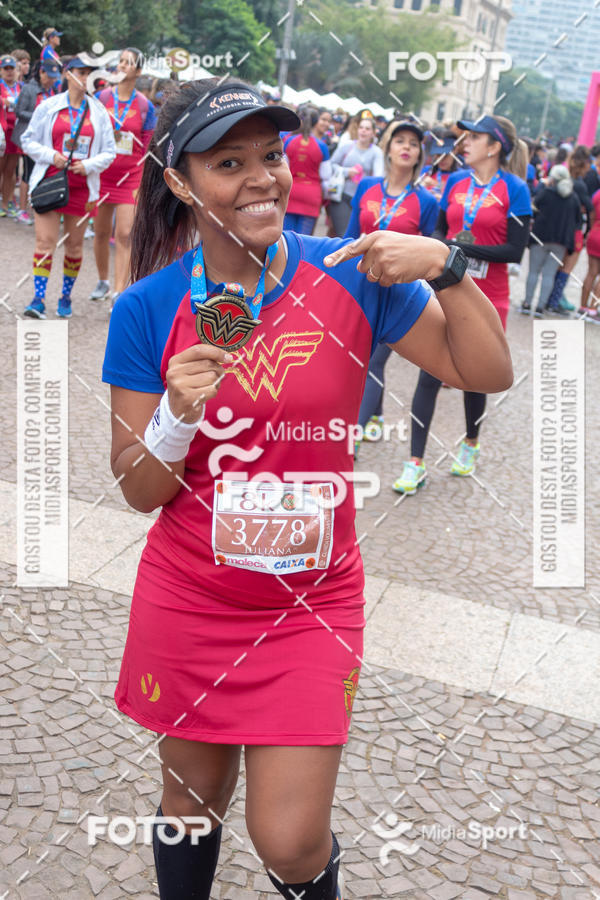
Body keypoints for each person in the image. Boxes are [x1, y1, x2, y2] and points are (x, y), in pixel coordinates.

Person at [101, 77, 512, 900]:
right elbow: (140, 490)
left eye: (271, 155)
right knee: (189, 805)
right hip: (192, 596)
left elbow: (487, 371)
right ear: (180, 182)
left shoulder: (351, 273)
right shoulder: (147, 309)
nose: (263, 178)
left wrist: (452, 268)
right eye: (229, 162)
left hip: (310, 603)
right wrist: (178, 416)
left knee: (289, 842)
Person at [393, 114, 531, 494]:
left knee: (475, 377)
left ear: (495, 146)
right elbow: (439, 230)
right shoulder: (455, 181)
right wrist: (443, 252)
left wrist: (454, 250)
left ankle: (471, 441)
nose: (464, 142)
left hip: (489, 297)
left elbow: (514, 250)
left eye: (474, 137)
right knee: (429, 372)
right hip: (445, 288)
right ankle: (415, 462)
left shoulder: (515, 189)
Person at [344, 120, 439, 449]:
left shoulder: (426, 202)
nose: (406, 147)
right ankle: (377, 414)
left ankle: (352, 436)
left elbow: (428, 251)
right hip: (360, 283)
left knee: (373, 362)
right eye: (400, 140)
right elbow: (350, 234)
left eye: (413, 144)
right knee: (360, 356)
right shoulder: (366, 186)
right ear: (387, 148)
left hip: (398, 291)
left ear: (418, 155)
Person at [21, 56, 116, 319]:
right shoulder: (49, 106)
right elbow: (27, 140)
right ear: (67, 73)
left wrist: (89, 164)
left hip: (83, 187)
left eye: (89, 73)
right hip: (50, 181)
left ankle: (65, 296)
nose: (84, 78)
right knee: (44, 242)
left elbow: (110, 152)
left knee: (74, 247)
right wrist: (51, 156)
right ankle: (38, 299)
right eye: (80, 72)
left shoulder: (98, 112)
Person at [90, 47, 157, 306]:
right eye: (120, 61)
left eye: (128, 63)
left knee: (125, 233)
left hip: (130, 176)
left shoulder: (145, 105)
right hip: (102, 173)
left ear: (138, 71)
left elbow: (148, 145)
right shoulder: (101, 97)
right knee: (100, 231)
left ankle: (119, 291)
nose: (122, 66)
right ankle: (102, 281)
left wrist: (142, 180)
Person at [520, 165, 581, 316]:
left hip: (540, 237)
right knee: (549, 274)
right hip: (560, 241)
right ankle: (541, 307)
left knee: (533, 271)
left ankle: (527, 304)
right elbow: (577, 221)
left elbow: (532, 208)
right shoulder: (573, 198)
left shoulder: (546, 192)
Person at [544, 145, 592, 314]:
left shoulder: (565, 180)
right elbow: (589, 206)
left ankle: (552, 300)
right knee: (566, 268)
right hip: (576, 230)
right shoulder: (579, 185)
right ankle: (554, 301)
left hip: (561, 228)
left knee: (559, 266)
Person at [12, 59, 60, 225]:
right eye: (49, 76)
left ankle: (39, 206)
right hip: (29, 139)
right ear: (41, 73)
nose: (52, 79)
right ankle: (22, 210)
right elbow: (19, 111)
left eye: (55, 76)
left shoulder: (54, 91)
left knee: (44, 174)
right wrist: (39, 118)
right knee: (27, 174)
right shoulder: (29, 89)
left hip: (47, 141)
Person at [328, 110, 384, 236]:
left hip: (363, 199)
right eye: (361, 128)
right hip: (342, 196)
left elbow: (379, 176)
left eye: (367, 129)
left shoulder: (376, 152)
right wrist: (347, 171)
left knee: (358, 236)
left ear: (373, 133)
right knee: (344, 234)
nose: (363, 131)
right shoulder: (347, 146)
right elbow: (331, 165)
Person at [283, 107, 331, 234]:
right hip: (311, 195)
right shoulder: (321, 146)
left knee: (285, 238)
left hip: (291, 193)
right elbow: (326, 176)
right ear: (316, 123)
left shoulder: (289, 141)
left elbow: (283, 168)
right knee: (303, 240)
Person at [0, 55, 22, 217]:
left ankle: (5, 204)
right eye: (6, 69)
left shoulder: (22, 87)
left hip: (16, 132)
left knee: (10, 170)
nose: (9, 72)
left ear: (16, 71)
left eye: (11, 69)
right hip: (1, 131)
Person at [420, 132, 462, 200]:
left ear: (455, 150)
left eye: (445, 155)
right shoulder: (425, 172)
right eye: (438, 155)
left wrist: (436, 185)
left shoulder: (462, 177)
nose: (441, 159)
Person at [580, 184, 600, 318]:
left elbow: (591, 213)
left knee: (591, 273)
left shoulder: (597, 194)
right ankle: (593, 308)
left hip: (595, 233)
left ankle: (583, 306)